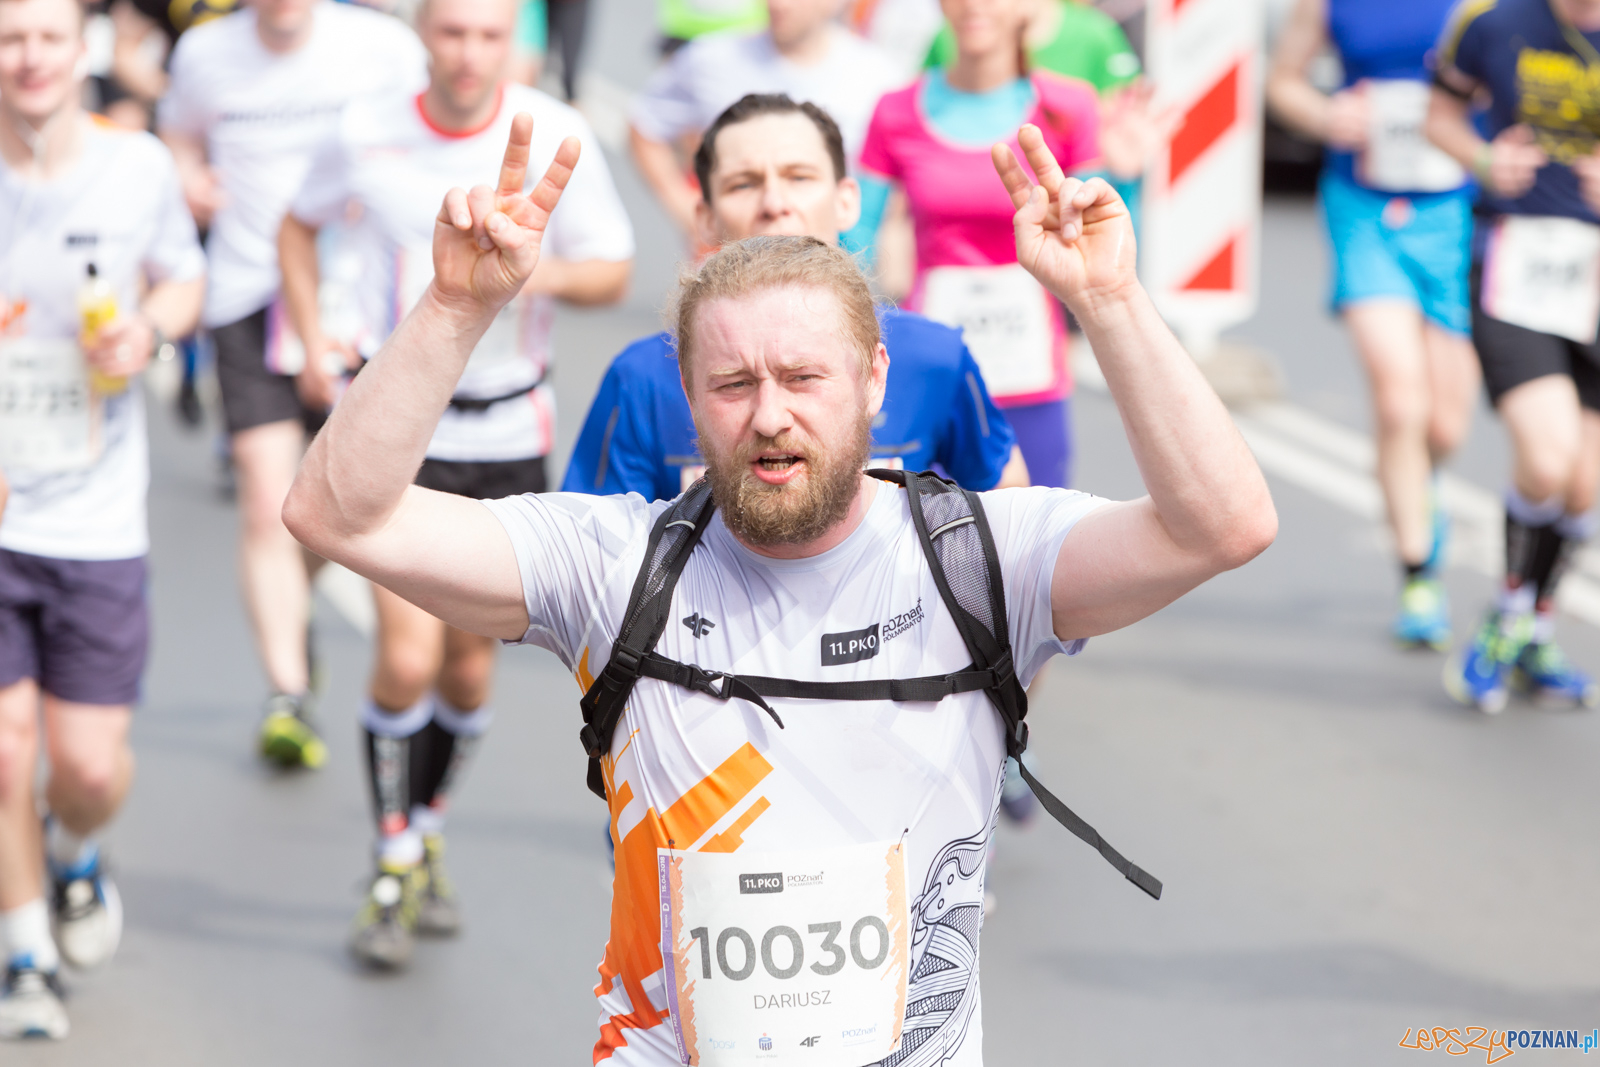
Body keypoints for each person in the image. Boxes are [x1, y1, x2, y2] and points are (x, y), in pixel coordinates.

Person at [280, 112, 1276, 1062]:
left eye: (803, 378)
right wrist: (456, 308)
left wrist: (1109, 302)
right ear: (688, 394)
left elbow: (1222, 525)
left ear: (873, 380)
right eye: (732, 384)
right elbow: (341, 515)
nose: (768, 415)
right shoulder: (616, 562)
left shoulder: (979, 557)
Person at [278, 0, 634, 968]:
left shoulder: (554, 134)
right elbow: (298, 228)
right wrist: (312, 337)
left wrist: (515, 276)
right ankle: (392, 855)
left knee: (468, 671)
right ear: (421, 35)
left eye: (488, 34)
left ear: (513, 41)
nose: (469, 53)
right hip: (404, 434)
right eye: (450, 31)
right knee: (405, 657)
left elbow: (612, 266)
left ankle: (425, 820)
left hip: (511, 427)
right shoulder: (366, 126)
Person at [0, 0, 205, 1038]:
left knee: (82, 766)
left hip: (92, 517)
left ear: (80, 46)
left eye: (45, 37)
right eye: (8, 39)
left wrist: (148, 332)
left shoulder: (136, 169)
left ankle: (73, 851)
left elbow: (186, 279)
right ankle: (24, 948)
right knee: (4, 746)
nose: (29, 58)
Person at [157, 0, 427, 767]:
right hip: (246, 295)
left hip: (358, 301)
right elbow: (178, 132)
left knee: (343, 504)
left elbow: (422, 134)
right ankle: (287, 692)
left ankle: (292, 594)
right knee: (265, 499)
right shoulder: (206, 53)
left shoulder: (380, 48)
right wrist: (189, 176)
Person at [565, 93, 1027, 501]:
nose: (774, 202)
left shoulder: (936, 355)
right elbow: (589, 552)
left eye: (799, 177)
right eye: (742, 183)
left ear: (847, 200)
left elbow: (1009, 502)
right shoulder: (640, 377)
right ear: (703, 217)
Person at [1267, 0, 1479, 649]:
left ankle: (1417, 476)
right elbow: (1284, 82)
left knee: (1445, 421)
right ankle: (1419, 571)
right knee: (1398, 398)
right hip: (1363, 204)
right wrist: (1326, 115)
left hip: (1458, 209)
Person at [853, 0, 1112, 489]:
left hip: (1030, 359)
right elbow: (855, 231)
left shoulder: (1069, 107)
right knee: (927, 533)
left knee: (1037, 527)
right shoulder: (895, 109)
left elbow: (1100, 230)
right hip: (930, 359)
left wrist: (1126, 171)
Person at [1428, 0, 1600, 711]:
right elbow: (1438, 116)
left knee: (1585, 487)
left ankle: (1535, 624)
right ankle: (1505, 614)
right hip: (1515, 266)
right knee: (1546, 457)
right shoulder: (1490, 20)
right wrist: (1480, 157)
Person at [628, 0, 905, 242]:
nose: (778, 4)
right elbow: (645, 123)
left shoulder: (878, 78)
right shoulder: (712, 59)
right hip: (730, 255)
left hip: (835, 250)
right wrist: (683, 205)